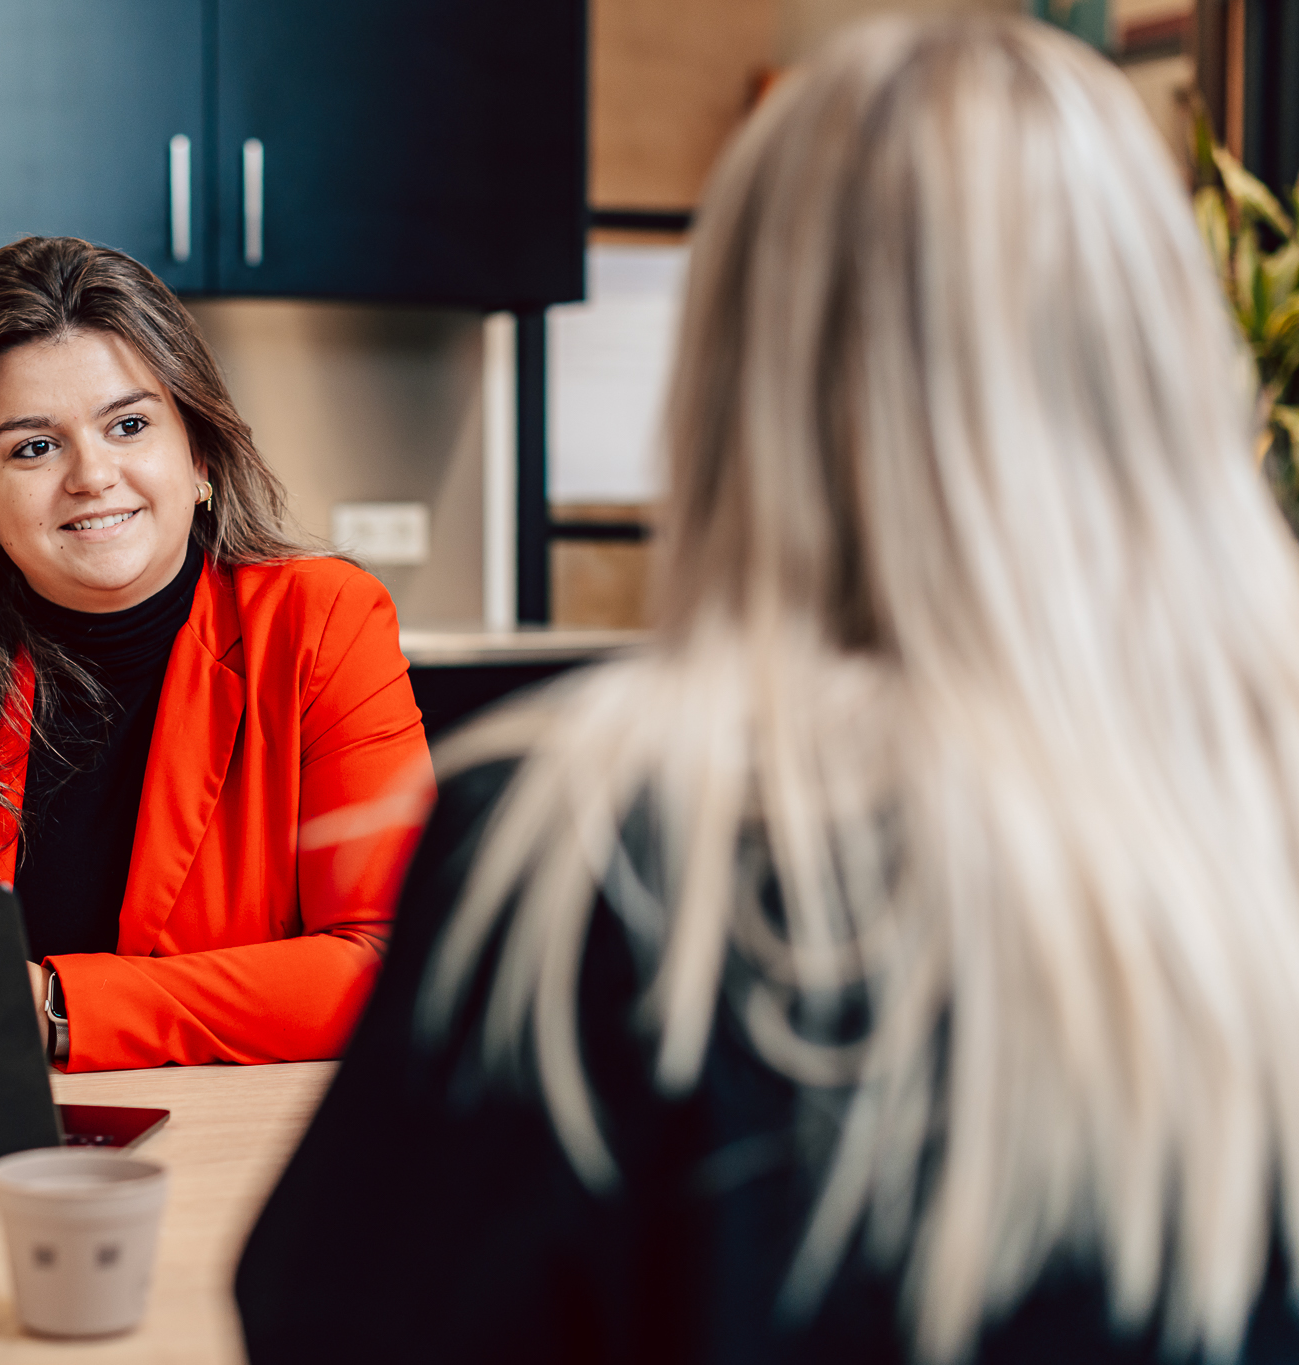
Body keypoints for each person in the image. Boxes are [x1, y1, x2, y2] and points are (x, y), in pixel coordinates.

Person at [235, 15, 1299, 1363]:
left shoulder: (595, 858)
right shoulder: (1258, 828)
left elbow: (330, 1324)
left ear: (737, 371)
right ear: (1163, 364)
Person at [0, 237, 430, 1072]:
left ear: (200, 457)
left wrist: (58, 1008)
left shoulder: (321, 621)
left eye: (130, 425)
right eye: (33, 446)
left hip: (227, 1145)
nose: (92, 475)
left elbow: (390, 965)